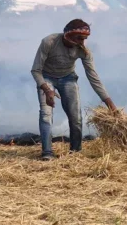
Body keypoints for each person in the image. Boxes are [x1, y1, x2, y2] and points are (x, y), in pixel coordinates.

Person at [31, 18, 118, 160]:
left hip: (68, 78)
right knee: (46, 115)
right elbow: (36, 70)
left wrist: (110, 104)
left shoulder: (84, 51)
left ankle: (75, 152)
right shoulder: (49, 42)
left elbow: (94, 78)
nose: (81, 42)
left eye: (84, 39)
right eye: (78, 38)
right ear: (67, 35)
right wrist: (47, 90)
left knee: (75, 117)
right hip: (46, 78)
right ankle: (47, 153)